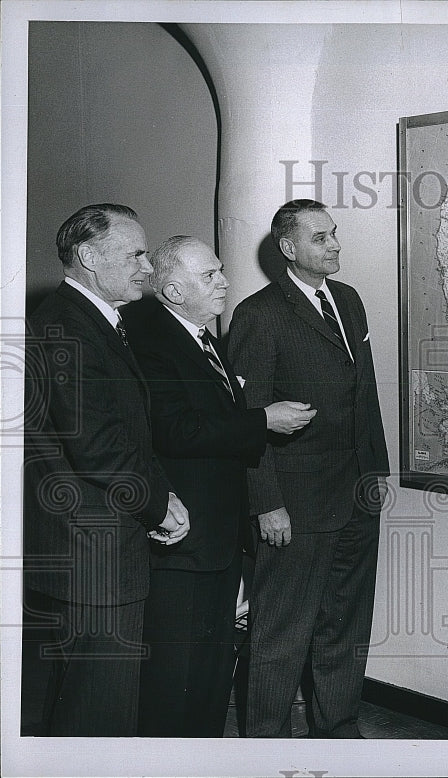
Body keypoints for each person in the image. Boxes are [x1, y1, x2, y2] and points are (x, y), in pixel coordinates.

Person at [121, 236, 316, 737]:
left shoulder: (202, 337)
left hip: (218, 537)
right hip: (184, 540)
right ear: (171, 290)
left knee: (209, 674)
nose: (224, 282)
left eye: (220, 271)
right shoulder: (151, 342)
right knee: (174, 678)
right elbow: (176, 431)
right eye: (209, 276)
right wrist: (262, 421)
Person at [22, 203, 190, 736]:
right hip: (94, 556)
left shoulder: (87, 321)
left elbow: (120, 433)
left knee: (67, 711)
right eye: (136, 253)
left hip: (83, 550)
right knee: (100, 715)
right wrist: (159, 504)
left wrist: (159, 495)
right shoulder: (68, 325)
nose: (147, 266)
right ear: (90, 256)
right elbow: (100, 446)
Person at [229, 199, 389, 738]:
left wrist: (376, 473)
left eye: (334, 234)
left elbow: (363, 395)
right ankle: (264, 747)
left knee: (345, 623)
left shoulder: (348, 301)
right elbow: (249, 422)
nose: (335, 245)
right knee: (280, 633)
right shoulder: (259, 315)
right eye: (320, 238)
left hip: (354, 496)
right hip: (292, 506)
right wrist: (266, 501)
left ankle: (338, 731)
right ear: (288, 248)